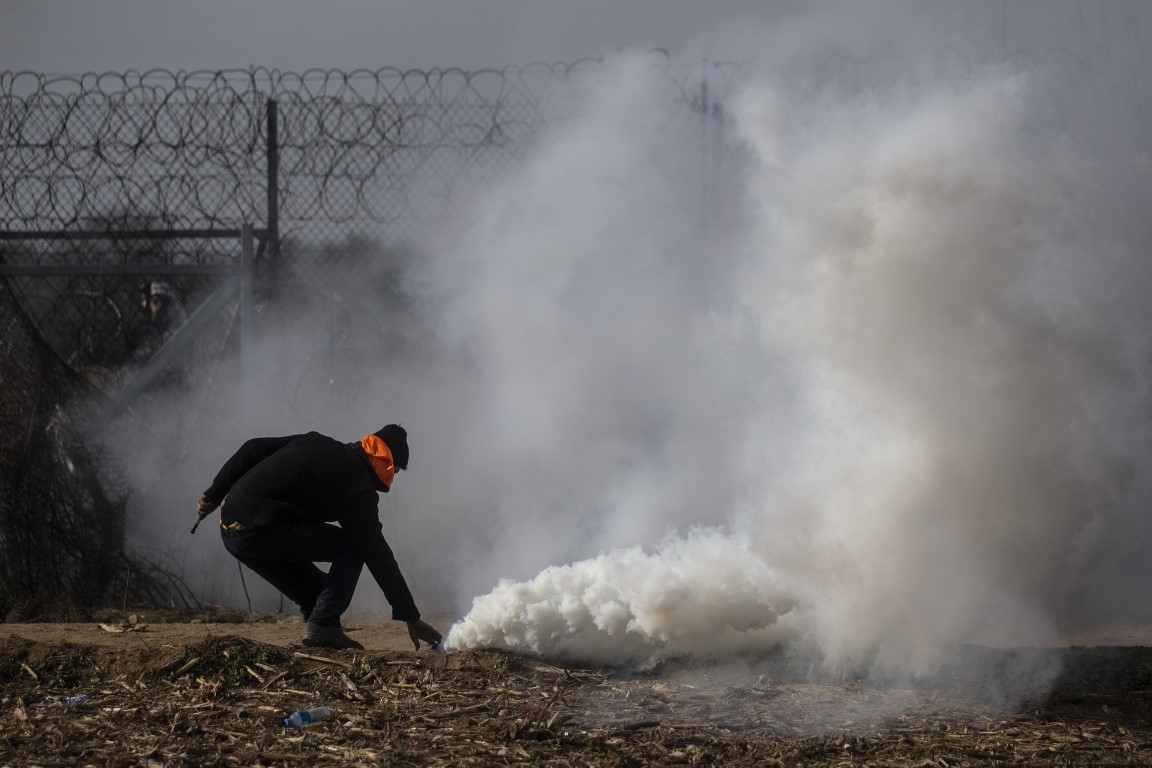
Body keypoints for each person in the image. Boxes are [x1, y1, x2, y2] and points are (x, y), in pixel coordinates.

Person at [194, 424, 443, 651]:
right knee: (354, 546)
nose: (394, 477)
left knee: (318, 595)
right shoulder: (357, 488)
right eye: (397, 471)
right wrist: (410, 616)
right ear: (388, 463)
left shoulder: (317, 441)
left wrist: (214, 493)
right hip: (258, 530)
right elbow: (377, 554)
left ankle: (321, 633)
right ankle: (323, 624)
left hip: (231, 529)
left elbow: (252, 448)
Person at [125, 279, 188, 364]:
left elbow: (169, 340)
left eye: (155, 301)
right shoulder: (147, 321)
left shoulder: (175, 314)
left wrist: (149, 350)